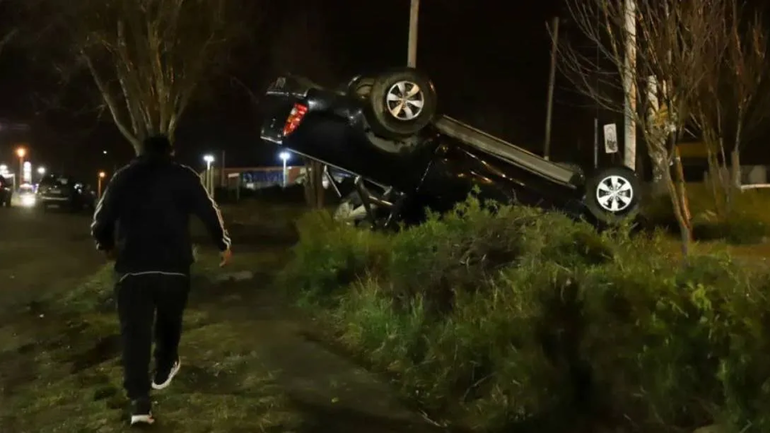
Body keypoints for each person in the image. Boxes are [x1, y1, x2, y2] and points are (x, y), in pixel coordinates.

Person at [90, 135, 232, 426]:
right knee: (170, 321)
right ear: (172, 151)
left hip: (132, 268)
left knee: (135, 334)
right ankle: (165, 366)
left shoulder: (123, 177)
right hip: (173, 268)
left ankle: (139, 403)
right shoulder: (184, 176)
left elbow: (101, 220)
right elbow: (209, 210)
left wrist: (105, 245)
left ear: (140, 152)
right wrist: (222, 243)